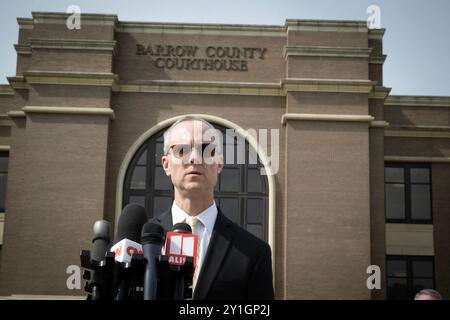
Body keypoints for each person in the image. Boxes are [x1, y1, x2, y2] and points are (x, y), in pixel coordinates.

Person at [149, 116, 274, 300]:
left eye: (206, 149)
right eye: (182, 150)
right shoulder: (142, 241)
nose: (194, 158)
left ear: (220, 163)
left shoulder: (253, 252)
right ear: (166, 164)